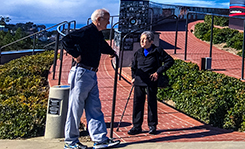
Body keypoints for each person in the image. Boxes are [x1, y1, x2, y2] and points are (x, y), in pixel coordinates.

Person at [62, 9, 121, 149]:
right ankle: (70, 141)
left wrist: (112, 52)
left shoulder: (96, 34)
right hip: (82, 73)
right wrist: (76, 54)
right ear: (98, 19)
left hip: (91, 74)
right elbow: (66, 40)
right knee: (75, 108)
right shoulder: (87, 31)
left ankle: (100, 139)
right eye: (106, 19)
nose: (108, 22)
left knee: (94, 107)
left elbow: (102, 46)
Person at [128, 31, 174, 136]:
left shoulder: (158, 51)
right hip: (139, 81)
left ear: (151, 41)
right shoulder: (138, 52)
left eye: (144, 40)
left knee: (151, 103)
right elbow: (133, 67)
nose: (142, 42)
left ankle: (152, 126)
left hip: (151, 81)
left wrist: (158, 72)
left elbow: (170, 61)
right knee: (137, 103)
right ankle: (136, 126)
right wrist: (133, 77)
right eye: (141, 40)